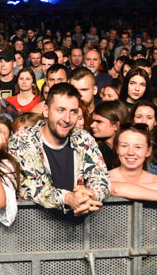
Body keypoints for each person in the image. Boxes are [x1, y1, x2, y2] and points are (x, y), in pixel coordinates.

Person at [7, 83, 110, 216]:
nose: (67, 119)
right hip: (36, 224)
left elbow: (102, 178)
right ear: (46, 111)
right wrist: (67, 198)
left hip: (81, 224)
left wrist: (90, 195)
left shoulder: (83, 138)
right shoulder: (23, 139)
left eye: (73, 112)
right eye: (61, 110)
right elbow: (27, 187)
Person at [107, 125, 157, 211]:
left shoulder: (153, 179)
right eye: (124, 146)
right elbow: (117, 189)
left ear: (148, 151)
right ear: (117, 149)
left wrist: (129, 189)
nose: (130, 152)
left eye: (138, 147)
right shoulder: (104, 178)